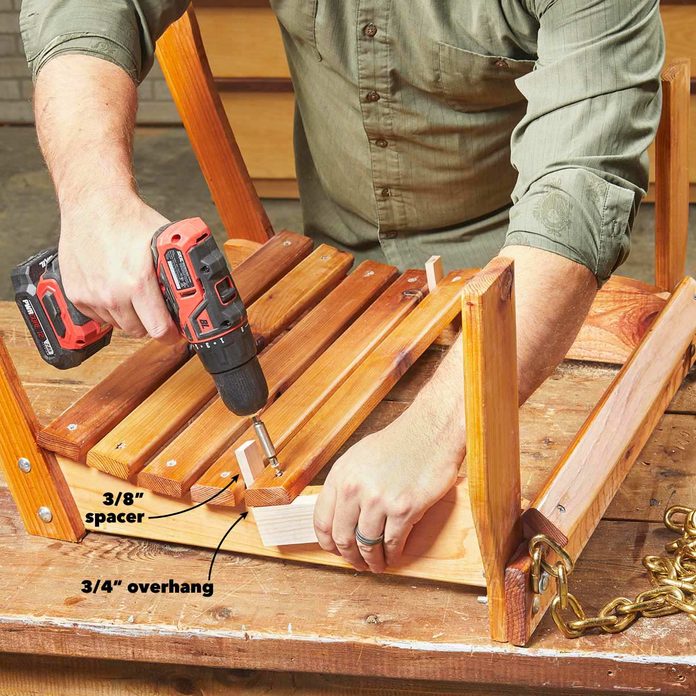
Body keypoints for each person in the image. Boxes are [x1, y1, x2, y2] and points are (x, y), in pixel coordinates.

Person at [20, 1, 664, 573]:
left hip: (514, 279)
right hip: (341, 267)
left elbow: (578, 191)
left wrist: (433, 434)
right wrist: (93, 199)